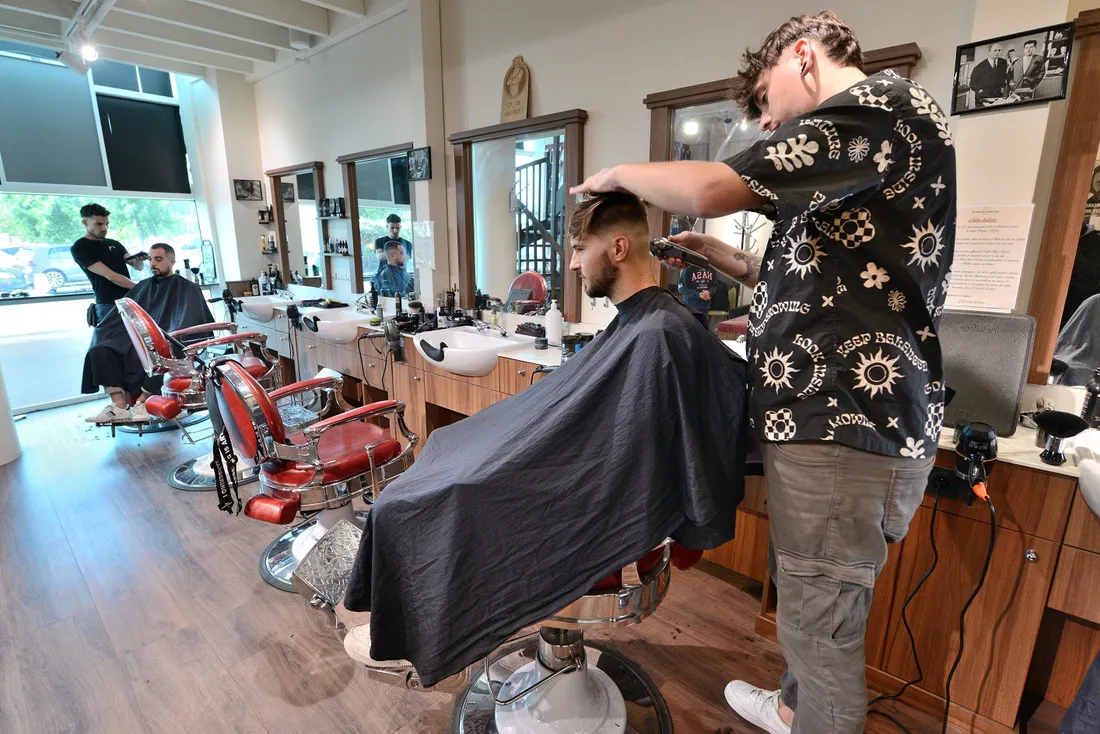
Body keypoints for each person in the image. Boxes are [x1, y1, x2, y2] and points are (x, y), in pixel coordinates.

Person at [572, 11, 953, 733]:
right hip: (835, 418)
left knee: (820, 630)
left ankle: (812, 712)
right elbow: (850, 273)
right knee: (818, 605)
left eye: (770, 108)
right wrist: (742, 269)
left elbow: (716, 186)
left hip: (843, 425)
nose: (772, 128)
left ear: (804, 57)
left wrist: (618, 175)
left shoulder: (882, 112)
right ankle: (789, 708)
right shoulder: (873, 150)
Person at [341, 191, 748, 687]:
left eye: (580, 247)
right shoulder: (649, 324)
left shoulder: (657, 333)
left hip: (583, 498)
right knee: (444, 460)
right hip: (573, 476)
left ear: (618, 248)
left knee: (417, 502)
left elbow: (625, 459)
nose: (573, 263)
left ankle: (417, 629)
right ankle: (404, 619)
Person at [82, 243, 214, 424]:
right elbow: (122, 317)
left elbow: (191, 321)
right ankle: (119, 406)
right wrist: (105, 331)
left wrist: (163, 336)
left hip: (165, 338)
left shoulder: (187, 288)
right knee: (101, 346)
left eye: (158, 259)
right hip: (138, 338)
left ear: (172, 260)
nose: (153, 264)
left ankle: (143, 402)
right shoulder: (143, 286)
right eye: (151, 259)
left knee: (165, 349)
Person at [70, 203, 146, 322]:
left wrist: (139, 260)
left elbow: (138, 267)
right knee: (113, 340)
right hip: (108, 306)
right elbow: (112, 276)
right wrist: (141, 288)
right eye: (99, 224)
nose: (104, 228)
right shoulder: (80, 248)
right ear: (85, 223)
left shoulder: (114, 244)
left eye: (107, 224)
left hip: (128, 301)